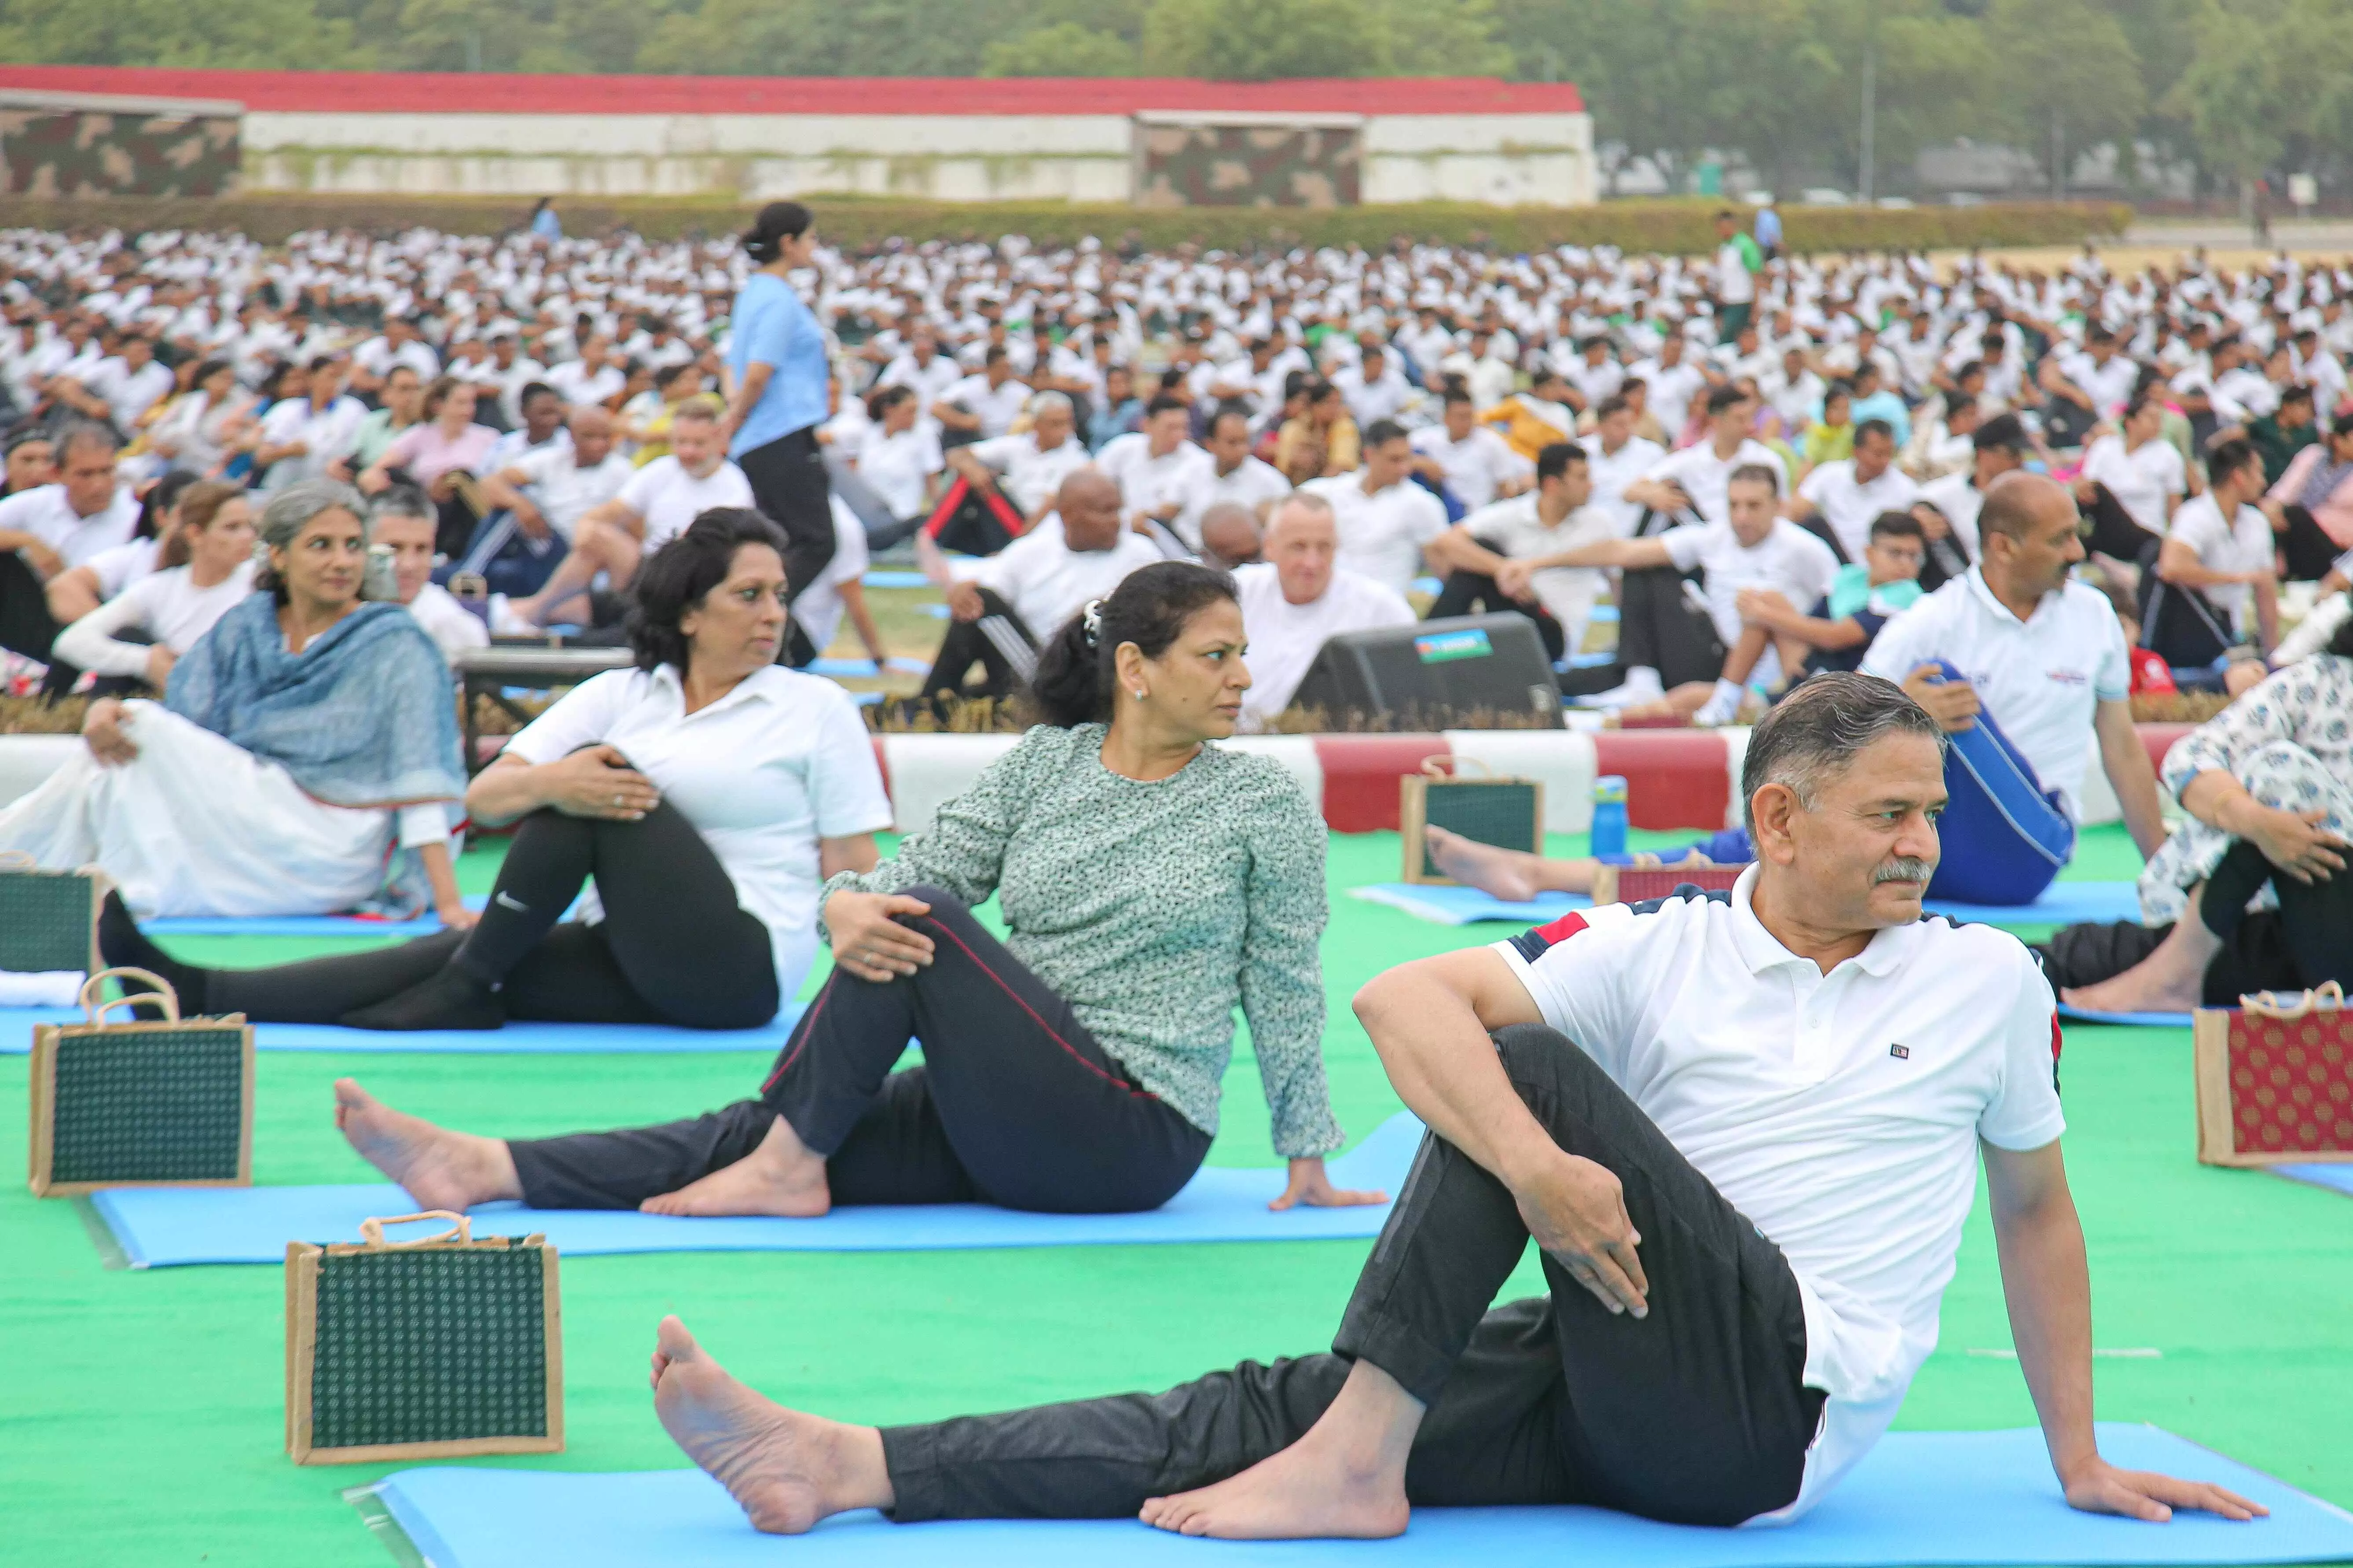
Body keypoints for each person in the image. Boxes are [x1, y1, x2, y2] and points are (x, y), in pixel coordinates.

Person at [628, 673, 2260, 1543]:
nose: (1924, 846)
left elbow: (2038, 1220)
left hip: (1772, 1416)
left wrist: (2082, 1458)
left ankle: (1358, 1453)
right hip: (1617, 1363)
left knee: (1522, 1077)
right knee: (1266, 1397)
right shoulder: (1660, 947)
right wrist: (1544, 1174)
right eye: (1890, 816)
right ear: (1780, 815)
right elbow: (1399, 999)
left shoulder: (1981, 981)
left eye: (1930, 818)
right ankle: (846, 1465)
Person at [316, 560, 1380, 1229]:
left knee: (916, 935)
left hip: (1130, 1134)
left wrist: (1307, 1154)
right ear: (1137, 670)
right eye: (1217, 654)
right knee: (772, 1116)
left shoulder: (1259, 802)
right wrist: (840, 904)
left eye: (1242, 654)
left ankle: (787, 1164)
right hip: (1005, 1101)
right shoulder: (1042, 769)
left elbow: (1282, 982)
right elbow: (905, 872)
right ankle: (485, 1166)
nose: (1243, 675)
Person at [103, 508, 892, 1037]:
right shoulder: (622, 693)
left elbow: (854, 866)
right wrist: (551, 783)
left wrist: (867, 981)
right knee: (443, 951)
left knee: (595, 783)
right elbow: (483, 794)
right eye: (748, 595)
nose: (772, 614)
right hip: (626, 949)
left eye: (779, 597)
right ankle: (198, 994)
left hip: (740, 969)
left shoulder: (814, 705)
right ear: (689, 611)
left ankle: (467, 983)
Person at [0, 479, 468, 924]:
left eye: (353, 546)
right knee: (122, 747)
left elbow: (421, 778)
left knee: (138, 726)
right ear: (279, 557)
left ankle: (15, 860)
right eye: (321, 545)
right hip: (250, 821)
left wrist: (447, 904)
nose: (342, 562)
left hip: (334, 847)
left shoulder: (395, 642)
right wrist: (103, 713)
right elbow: (188, 732)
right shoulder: (247, 628)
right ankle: (25, 873)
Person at [1861, 472, 2167, 908]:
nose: (2077, 553)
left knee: (1936, 689)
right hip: (1931, 858)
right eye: (2060, 540)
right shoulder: (1934, 618)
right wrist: (1905, 713)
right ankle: (1744, 850)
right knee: (1891, 707)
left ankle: (1740, 849)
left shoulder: (2094, 614)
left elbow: (2121, 748)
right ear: (2003, 547)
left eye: (2075, 536)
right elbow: (1834, 725)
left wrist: (2165, 870)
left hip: (2029, 855)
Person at [2062, 615, 2353, 1011]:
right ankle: (2173, 968)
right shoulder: (2321, 684)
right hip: (2255, 920)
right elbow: (2191, 758)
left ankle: (2174, 976)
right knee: (2071, 958)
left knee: (2279, 771)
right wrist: (2257, 822)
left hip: (2333, 940)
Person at [1549, 464, 1837, 720]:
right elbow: (1622, 551)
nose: (1741, 517)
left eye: (1753, 506)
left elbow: (1840, 622)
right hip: (1719, 658)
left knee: (1761, 604)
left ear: (1777, 505)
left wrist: (1770, 617)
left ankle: (1730, 697)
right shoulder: (1715, 536)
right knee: (1644, 563)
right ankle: (1641, 680)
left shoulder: (1805, 549)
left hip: (1780, 672)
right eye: (1733, 505)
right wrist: (1535, 563)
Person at [917, 469, 1161, 707]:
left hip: (1095, 678)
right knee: (977, 602)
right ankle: (933, 702)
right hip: (1034, 667)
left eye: (1118, 510)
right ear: (1068, 515)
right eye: (1105, 512)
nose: (1117, 521)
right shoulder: (1032, 552)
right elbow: (986, 592)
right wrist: (964, 592)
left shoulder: (1141, 556)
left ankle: (930, 708)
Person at [510, 399, 753, 629]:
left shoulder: (733, 488)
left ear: (719, 440)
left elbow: (713, 554)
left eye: (698, 444)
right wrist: (585, 529)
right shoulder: (661, 471)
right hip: (646, 571)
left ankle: (532, 611)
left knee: (594, 554)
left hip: (690, 579)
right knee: (565, 595)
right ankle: (520, 612)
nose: (687, 452)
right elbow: (612, 513)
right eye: (681, 442)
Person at [723, 202, 837, 667]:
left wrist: (734, 421)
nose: (814, 248)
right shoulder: (777, 299)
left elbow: (735, 370)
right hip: (781, 434)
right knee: (816, 542)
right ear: (788, 243)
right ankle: (754, 617)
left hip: (762, 438)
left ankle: (774, 643)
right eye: (810, 239)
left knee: (784, 541)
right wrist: (730, 425)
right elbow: (757, 373)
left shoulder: (754, 293)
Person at [48, 480, 256, 692]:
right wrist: (145, 661)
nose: (248, 536)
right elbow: (70, 642)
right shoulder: (161, 586)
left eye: (250, 526)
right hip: (171, 695)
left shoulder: (258, 581)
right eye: (232, 528)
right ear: (195, 535)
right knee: (126, 635)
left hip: (232, 694)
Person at [1235, 493, 1414, 728]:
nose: (1312, 563)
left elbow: (1412, 686)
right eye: (1298, 547)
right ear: (1270, 546)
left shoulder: (1380, 607)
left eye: (1324, 548)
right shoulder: (1236, 593)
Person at [1425, 443, 1612, 662]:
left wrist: (1527, 569)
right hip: (1511, 619)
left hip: (1553, 634)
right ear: (1553, 484)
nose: (1591, 486)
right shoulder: (1516, 513)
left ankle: (1423, 645)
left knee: (1484, 555)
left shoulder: (1598, 524)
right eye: (1582, 478)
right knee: (1479, 550)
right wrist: (1502, 570)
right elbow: (1446, 542)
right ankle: (1429, 645)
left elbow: (1616, 567)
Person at [0, 421, 140, 675]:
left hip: (90, 624)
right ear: (57, 474)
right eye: (85, 475)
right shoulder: (38, 502)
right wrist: (26, 541)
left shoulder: (133, 519)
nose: (99, 485)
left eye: (106, 472)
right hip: (30, 614)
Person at [460, 405, 635, 598]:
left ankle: (466, 575)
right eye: (590, 437)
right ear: (572, 437)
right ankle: (467, 578)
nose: (599, 444)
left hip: (579, 551)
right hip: (542, 540)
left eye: (605, 437)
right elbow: (490, 483)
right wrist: (520, 505)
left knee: (513, 517)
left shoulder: (621, 471)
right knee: (512, 508)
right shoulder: (553, 460)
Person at [1733, 510, 1927, 683]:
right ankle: (1730, 695)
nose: (1905, 564)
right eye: (1896, 553)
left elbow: (1834, 637)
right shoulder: (1849, 577)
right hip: (1820, 666)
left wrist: (1762, 614)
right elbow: (1812, 621)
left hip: (1856, 683)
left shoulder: (1908, 593)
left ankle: (1732, 695)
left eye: (1913, 556)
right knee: (1769, 599)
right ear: (1870, 554)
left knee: (1764, 609)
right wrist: (1762, 610)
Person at [2144, 438, 2278, 674]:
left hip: (2229, 626)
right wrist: (2238, 578)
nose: (2263, 482)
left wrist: (2274, 654)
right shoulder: (2195, 515)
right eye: (2258, 473)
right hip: (2190, 621)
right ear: (2239, 477)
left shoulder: (2257, 522)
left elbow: (2265, 589)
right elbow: (2171, 567)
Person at [1299, 421, 1449, 597]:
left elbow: (1443, 566)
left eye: (1407, 459)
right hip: (1329, 601)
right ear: (1370, 455)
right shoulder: (1334, 491)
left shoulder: (1421, 504)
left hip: (1384, 608)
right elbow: (1282, 506)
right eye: (1395, 460)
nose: (1404, 469)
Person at [360, 375, 500, 557]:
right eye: (461, 403)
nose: (468, 410)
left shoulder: (488, 438)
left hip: (469, 512)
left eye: (471, 403)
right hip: (428, 505)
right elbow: (379, 468)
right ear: (439, 405)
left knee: (460, 477)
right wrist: (372, 477)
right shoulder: (421, 434)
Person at [367, 485, 492, 661]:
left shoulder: (451, 626)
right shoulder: (336, 609)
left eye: (422, 549)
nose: (409, 565)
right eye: (394, 548)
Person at [1913, 412, 2030, 593]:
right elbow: (1912, 507)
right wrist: (1917, 518)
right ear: (1984, 455)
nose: (2019, 462)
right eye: (2012, 454)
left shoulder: (2028, 496)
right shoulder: (1947, 492)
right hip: (1961, 585)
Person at [943, 391, 1092, 528]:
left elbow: (1046, 511)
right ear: (1036, 425)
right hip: (1005, 517)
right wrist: (973, 470)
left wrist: (1017, 547)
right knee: (968, 474)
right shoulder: (1019, 445)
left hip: (1032, 527)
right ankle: (930, 537)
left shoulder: (1076, 459)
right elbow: (954, 455)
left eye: (1067, 423)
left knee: (970, 481)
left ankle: (929, 538)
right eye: (1055, 424)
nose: (1064, 431)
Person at [2074, 392, 2186, 565]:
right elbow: (2083, 487)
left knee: (2098, 490)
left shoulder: (2167, 454)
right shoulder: (2106, 447)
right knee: (2088, 492)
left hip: (2143, 534)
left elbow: (2174, 507)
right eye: (2151, 418)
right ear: (2131, 422)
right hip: (2106, 531)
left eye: (2159, 419)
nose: (2157, 424)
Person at [1788, 418, 1918, 563]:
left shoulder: (1905, 489)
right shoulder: (1829, 474)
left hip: (1876, 567)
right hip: (1828, 559)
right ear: (1856, 452)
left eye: (1889, 454)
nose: (1885, 461)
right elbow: (1796, 511)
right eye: (1878, 454)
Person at [1097, 394, 1213, 550]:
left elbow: (1166, 512)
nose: (1179, 435)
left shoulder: (1198, 461)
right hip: (1120, 534)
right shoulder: (1124, 447)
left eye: (1183, 427)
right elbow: (1091, 477)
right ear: (1147, 425)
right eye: (1171, 428)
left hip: (1172, 543)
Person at [2257, 410, 2353, 582]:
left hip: (2336, 548)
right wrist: (2272, 510)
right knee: (2267, 513)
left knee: (2296, 515)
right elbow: (2285, 489)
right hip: (2295, 528)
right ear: (2339, 440)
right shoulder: (2314, 455)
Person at [845, 384, 943, 548]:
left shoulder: (924, 435)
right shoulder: (868, 435)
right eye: (909, 411)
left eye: (916, 411)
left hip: (904, 522)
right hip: (868, 521)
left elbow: (933, 485)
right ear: (889, 410)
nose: (914, 417)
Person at [1409, 388, 1532, 514]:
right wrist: (1422, 463)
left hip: (1470, 512)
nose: (1467, 423)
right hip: (1436, 501)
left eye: (1470, 416)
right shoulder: (1429, 437)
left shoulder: (1491, 443)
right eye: (1461, 417)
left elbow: (1506, 487)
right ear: (1446, 418)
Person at [253, 356, 367, 493]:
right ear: (311, 378)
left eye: (339, 377)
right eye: (330, 376)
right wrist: (288, 451)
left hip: (329, 490)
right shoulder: (287, 408)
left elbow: (361, 449)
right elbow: (262, 457)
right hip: (282, 489)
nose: (336, 383)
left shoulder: (353, 409)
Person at [1274, 378, 1360, 484]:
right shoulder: (1293, 428)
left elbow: (1341, 465)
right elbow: (1282, 466)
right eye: (1329, 403)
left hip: (1333, 488)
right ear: (1314, 406)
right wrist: (1295, 460)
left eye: (1338, 403)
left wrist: (1316, 490)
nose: (1336, 408)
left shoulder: (1345, 427)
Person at [1711, 209, 1762, 343]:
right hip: (1728, 301)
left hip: (1743, 301)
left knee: (1726, 339)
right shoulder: (1724, 247)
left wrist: (1756, 306)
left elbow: (1755, 275)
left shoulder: (1745, 245)